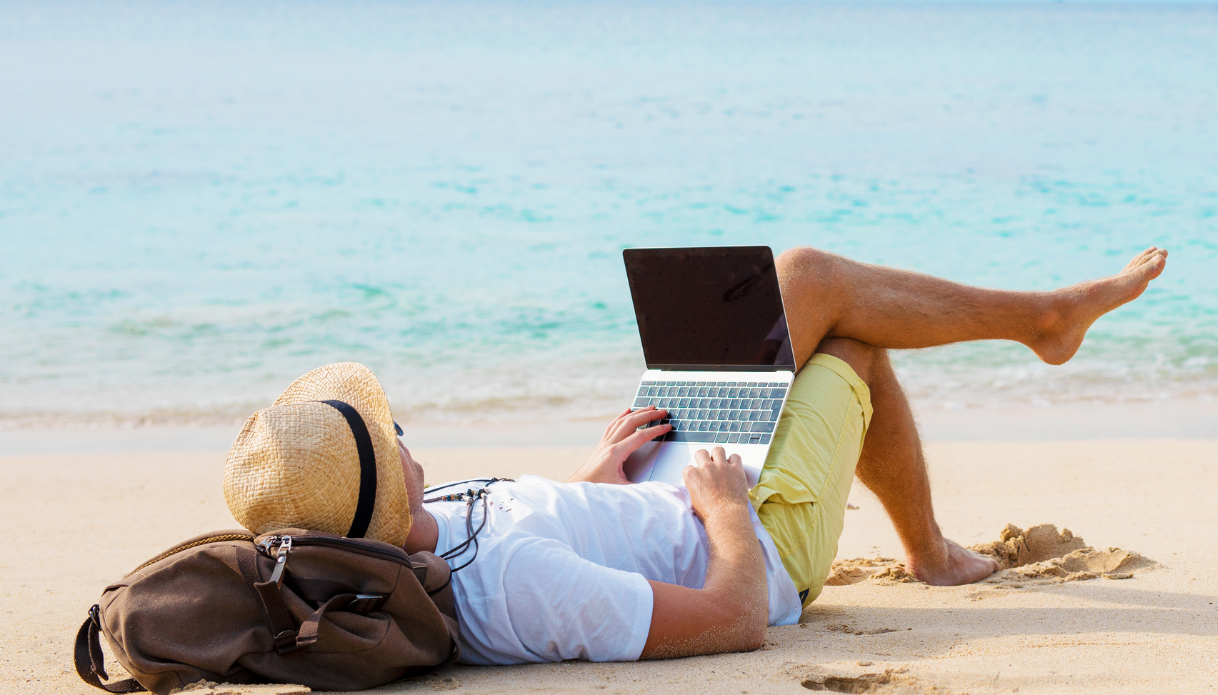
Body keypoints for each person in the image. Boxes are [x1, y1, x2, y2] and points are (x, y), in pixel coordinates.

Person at [221, 246, 1168, 664]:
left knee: (802, 291)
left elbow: (530, 522)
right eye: (391, 438)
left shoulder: (435, 529)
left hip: (668, 489)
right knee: (841, 332)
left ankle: (1034, 340)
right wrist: (720, 512)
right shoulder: (517, 587)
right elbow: (733, 621)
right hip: (761, 542)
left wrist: (591, 479)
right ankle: (1042, 326)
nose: (404, 432)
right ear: (387, 478)